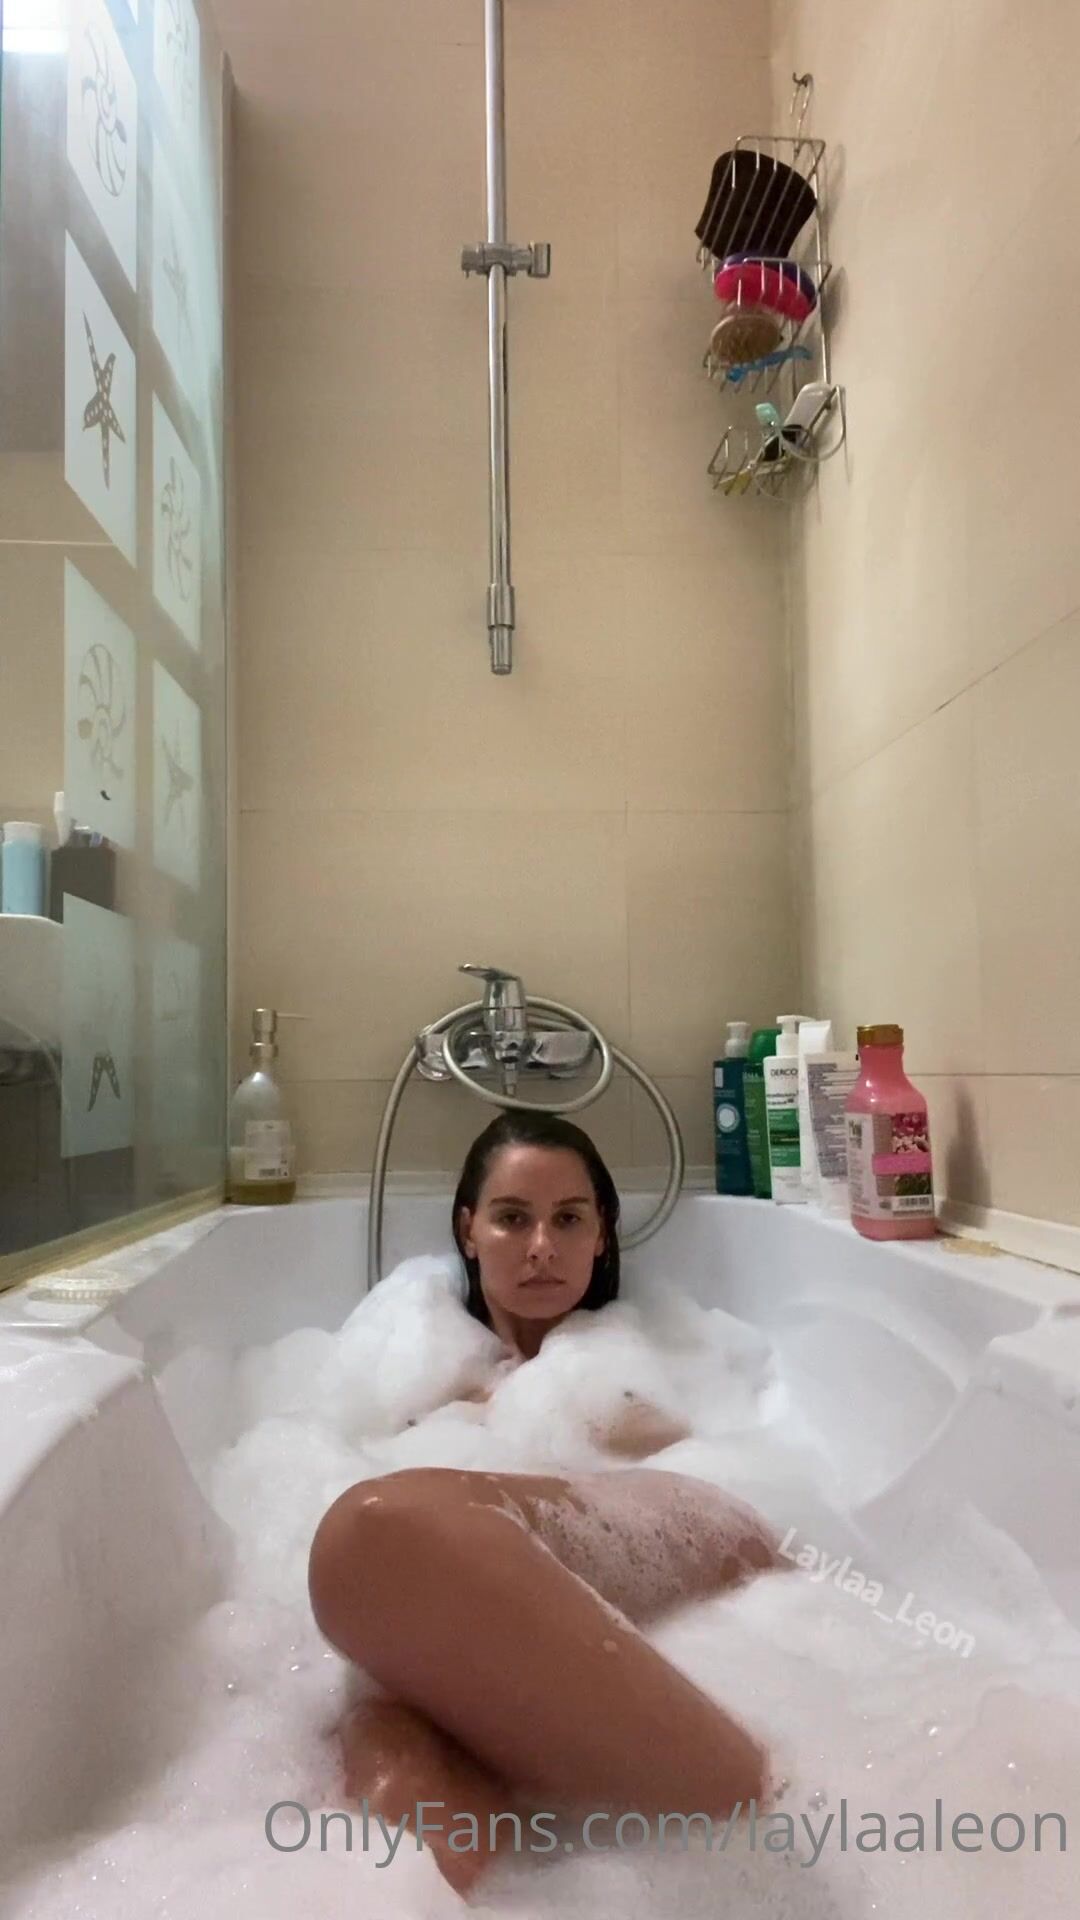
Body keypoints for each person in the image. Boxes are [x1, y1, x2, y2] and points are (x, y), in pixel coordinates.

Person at [308, 1111, 782, 1897]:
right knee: (394, 1762)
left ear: (602, 1235)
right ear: (468, 1230)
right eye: (512, 1218)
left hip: (656, 1539)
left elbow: (720, 1487)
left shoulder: (635, 1376)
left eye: (568, 1219)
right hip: (465, 1592)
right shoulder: (406, 1380)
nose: (541, 1246)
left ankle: (768, 1834)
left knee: (378, 1542)